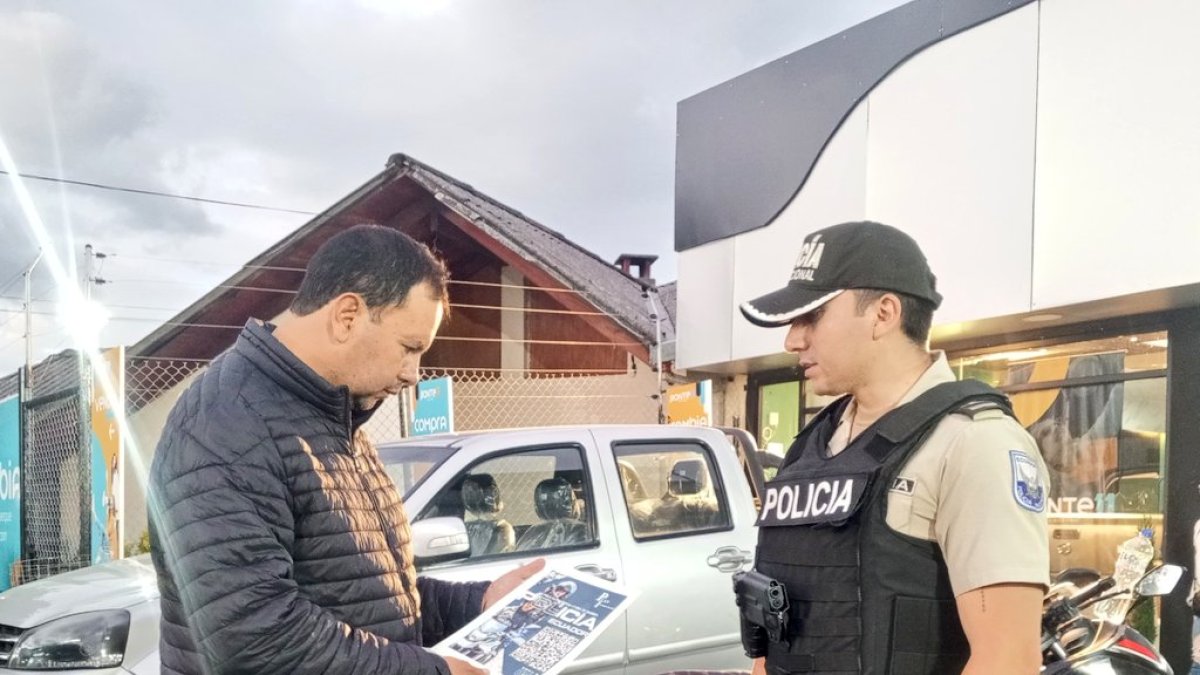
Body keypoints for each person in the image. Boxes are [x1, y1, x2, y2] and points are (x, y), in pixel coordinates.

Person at [148, 224, 542, 675]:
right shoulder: (225, 423)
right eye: (409, 347)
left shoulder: (333, 416)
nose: (415, 373)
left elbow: (373, 596)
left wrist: (480, 601)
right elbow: (256, 639)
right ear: (347, 315)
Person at [736, 221, 1050, 674]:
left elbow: (1008, 659)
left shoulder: (973, 442)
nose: (792, 339)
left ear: (884, 313)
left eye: (812, 316)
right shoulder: (813, 445)